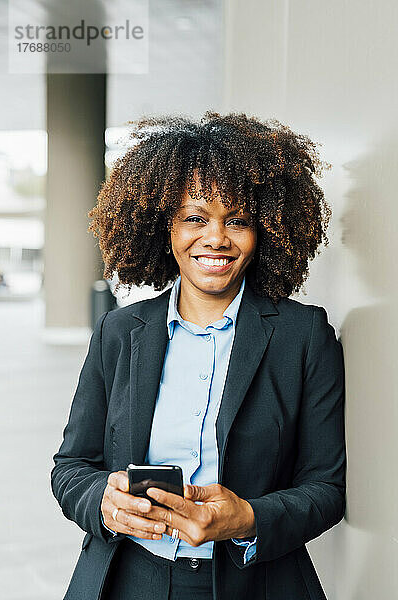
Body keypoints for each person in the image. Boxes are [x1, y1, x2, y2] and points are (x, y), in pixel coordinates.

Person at [51, 111, 346, 600]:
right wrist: (101, 501)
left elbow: (326, 487)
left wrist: (247, 518)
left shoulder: (303, 335)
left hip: (255, 582)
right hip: (130, 577)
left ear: (266, 231)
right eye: (194, 218)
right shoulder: (120, 331)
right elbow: (71, 466)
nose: (216, 239)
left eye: (238, 221)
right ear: (164, 226)